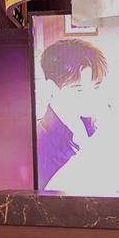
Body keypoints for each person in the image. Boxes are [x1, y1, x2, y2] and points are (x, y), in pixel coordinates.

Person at [35, 38, 108, 190]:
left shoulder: (88, 122)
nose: (91, 97)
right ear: (51, 88)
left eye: (96, 87)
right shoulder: (41, 144)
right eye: (79, 90)